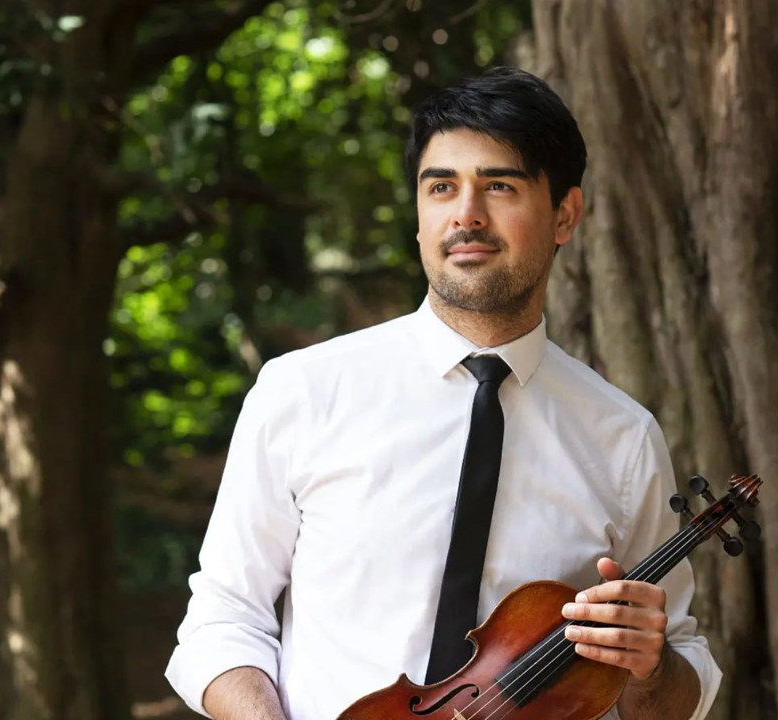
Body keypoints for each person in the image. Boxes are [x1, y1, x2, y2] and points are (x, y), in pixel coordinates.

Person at [164, 67, 721, 720]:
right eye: (441, 187)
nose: (467, 214)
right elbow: (224, 617)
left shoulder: (622, 439)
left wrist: (649, 666)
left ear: (565, 213)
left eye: (500, 186)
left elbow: (671, 683)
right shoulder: (304, 392)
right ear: (421, 215)